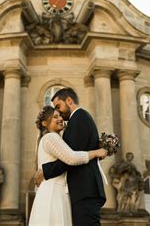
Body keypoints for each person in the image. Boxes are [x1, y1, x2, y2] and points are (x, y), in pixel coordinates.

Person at [34, 88, 106, 225]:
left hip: (84, 189)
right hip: (80, 189)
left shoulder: (79, 118)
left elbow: (71, 157)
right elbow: (71, 157)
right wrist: (96, 153)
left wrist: (45, 170)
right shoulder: (73, 123)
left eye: (58, 107)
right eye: (55, 114)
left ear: (69, 100)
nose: (59, 114)